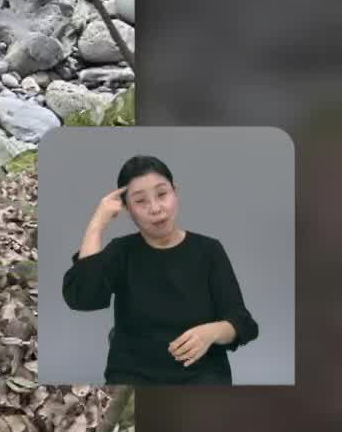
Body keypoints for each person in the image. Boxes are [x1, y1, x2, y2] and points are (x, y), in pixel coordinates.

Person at [62, 154, 260, 385]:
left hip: (203, 375)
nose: (155, 208)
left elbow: (243, 322)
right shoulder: (122, 252)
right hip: (132, 375)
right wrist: (97, 224)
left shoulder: (209, 250)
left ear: (175, 192)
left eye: (162, 194)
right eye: (140, 201)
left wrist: (213, 331)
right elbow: (83, 297)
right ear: (127, 208)